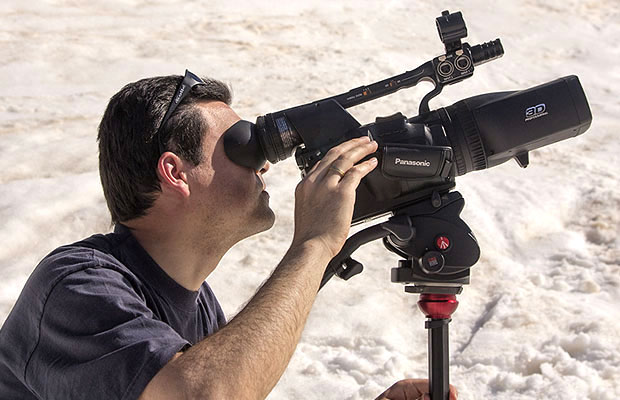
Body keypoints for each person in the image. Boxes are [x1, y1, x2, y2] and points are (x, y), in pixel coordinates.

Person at [0, 72, 457, 400]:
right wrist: (315, 243)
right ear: (175, 172)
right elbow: (203, 395)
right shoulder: (75, 285)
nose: (264, 164)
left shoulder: (199, 310)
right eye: (242, 146)